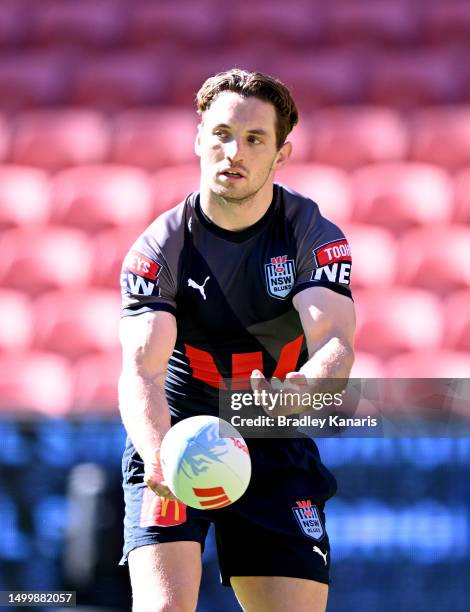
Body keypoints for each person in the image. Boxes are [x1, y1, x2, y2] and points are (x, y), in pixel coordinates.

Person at [118, 68, 356, 612]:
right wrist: (158, 455)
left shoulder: (311, 234)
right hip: (178, 433)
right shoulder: (159, 248)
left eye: (254, 139)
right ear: (199, 139)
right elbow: (142, 372)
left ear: (282, 153)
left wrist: (307, 391)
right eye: (222, 134)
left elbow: (335, 341)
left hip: (271, 434)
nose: (234, 152)